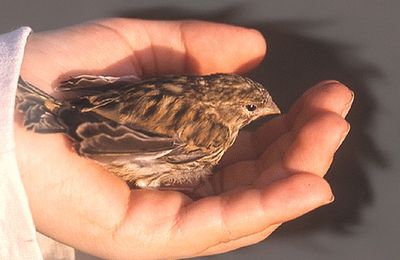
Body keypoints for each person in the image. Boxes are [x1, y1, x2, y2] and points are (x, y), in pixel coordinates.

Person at [0, 18, 353, 259]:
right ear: (229, 107)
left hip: (92, 107)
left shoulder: (186, 85)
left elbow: (136, 92)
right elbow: (145, 149)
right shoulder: (212, 133)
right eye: (251, 107)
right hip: (113, 140)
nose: (268, 110)